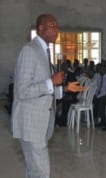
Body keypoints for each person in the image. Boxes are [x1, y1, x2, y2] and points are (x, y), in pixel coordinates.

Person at [11, 14, 85, 178]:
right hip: (31, 124)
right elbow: (22, 91)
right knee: (42, 172)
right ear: (41, 29)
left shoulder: (44, 52)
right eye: (52, 26)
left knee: (34, 171)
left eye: (57, 26)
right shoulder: (30, 50)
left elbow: (46, 91)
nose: (57, 29)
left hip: (41, 123)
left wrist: (65, 88)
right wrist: (51, 82)